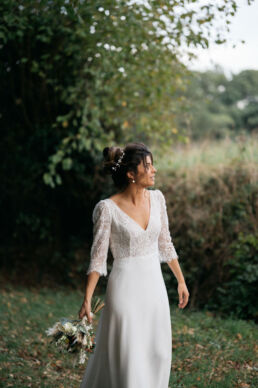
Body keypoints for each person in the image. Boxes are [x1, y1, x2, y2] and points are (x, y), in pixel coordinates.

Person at [78, 142, 189, 388]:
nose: (154, 170)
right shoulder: (106, 209)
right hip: (124, 290)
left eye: (152, 165)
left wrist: (180, 280)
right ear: (131, 174)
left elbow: (166, 243)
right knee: (129, 358)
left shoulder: (158, 199)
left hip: (154, 288)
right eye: (147, 166)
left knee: (157, 352)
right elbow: (98, 259)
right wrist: (87, 299)